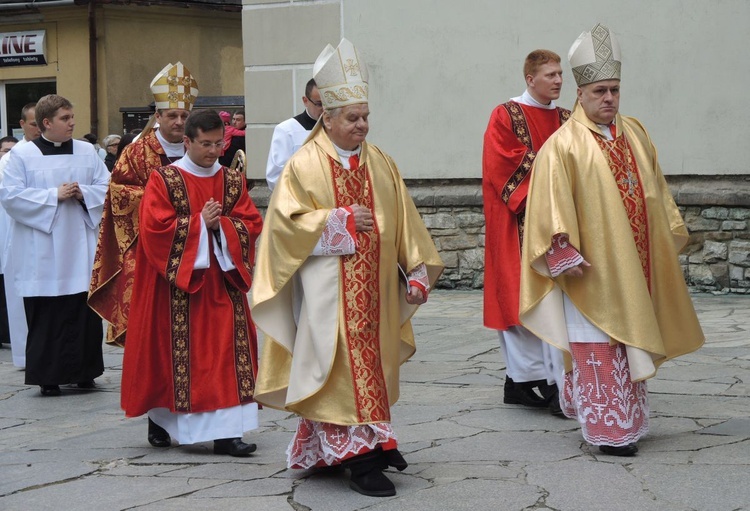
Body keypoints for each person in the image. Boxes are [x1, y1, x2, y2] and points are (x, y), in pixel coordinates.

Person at [251, 39, 444, 497]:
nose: (362, 125)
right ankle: (357, 460)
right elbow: (282, 229)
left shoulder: (381, 163)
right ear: (328, 118)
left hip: (373, 290)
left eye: (365, 116)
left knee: (370, 363)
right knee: (334, 366)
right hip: (324, 293)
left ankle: (370, 442)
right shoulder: (303, 164)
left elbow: (405, 221)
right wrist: (336, 221)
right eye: (352, 118)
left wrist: (416, 271)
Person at [520, 24, 704, 456]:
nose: (609, 99)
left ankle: (629, 420)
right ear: (580, 94)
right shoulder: (563, 145)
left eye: (615, 90)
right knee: (598, 344)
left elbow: (657, 190)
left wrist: (664, 235)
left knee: (630, 340)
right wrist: (560, 248)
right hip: (592, 270)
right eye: (600, 90)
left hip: (635, 261)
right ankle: (608, 428)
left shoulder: (635, 132)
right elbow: (547, 204)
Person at [120, 109, 263, 457]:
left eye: (219, 143)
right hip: (177, 286)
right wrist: (199, 224)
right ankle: (162, 417)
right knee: (175, 355)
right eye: (206, 144)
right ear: (187, 141)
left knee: (226, 353)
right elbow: (154, 228)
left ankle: (228, 433)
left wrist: (223, 227)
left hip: (223, 280)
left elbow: (251, 222)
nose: (214, 151)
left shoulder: (231, 180)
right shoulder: (165, 179)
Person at [0, 94, 109, 396]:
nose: (72, 122)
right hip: (42, 250)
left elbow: (108, 187)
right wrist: (53, 196)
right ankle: (48, 378)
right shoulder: (20, 157)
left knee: (81, 311)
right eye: (65, 118)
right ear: (46, 123)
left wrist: (83, 193)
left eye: (72, 117)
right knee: (48, 315)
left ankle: (85, 373)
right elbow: (10, 196)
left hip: (80, 246)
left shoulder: (88, 152)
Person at [482, 50, 570, 415]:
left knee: (560, 301)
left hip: (563, 223)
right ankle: (532, 379)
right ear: (530, 78)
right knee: (520, 299)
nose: (558, 80)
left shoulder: (569, 118)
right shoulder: (506, 114)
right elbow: (504, 163)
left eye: (561, 74)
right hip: (517, 223)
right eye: (550, 74)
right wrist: (557, 176)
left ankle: (537, 379)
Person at [89, 62, 198, 347]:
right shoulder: (137, 151)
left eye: (184, 115)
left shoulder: (198, 149)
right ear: (158, 116)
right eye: (172, 115)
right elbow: (119, 194)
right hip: (149, 247)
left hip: (194, 245)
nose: (178, 121)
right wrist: (165, 201)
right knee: (152, 328)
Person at [0, 104, 39, 367]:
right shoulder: (11, 159)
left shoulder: (72, 152)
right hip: (19, 234)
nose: (39, 128)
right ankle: (27, 355)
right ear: (22, 124)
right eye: (34, 123)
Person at [265, 78, 324, 190]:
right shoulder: (286, 130)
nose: (325, 110)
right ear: (305, 101)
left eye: (329, 104)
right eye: (319, 104)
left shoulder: (337, 129)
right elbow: (275, 177)